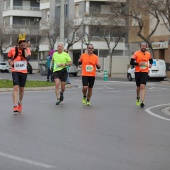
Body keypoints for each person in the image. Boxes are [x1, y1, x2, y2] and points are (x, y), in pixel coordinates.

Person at [8, 33, 31, 113]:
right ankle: (15, 106)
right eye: (22, 45)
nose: (23, 46)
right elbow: (9, 58)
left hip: (23, 71)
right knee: (15, 87)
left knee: (21, 89)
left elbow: (27, 58)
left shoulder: (27, 50)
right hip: (15, 71)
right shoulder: (13, 50)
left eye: (24, 45)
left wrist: (25, 48)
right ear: (18, 44)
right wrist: (10, 62)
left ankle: (20, 102)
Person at [130, 42, 153, 108]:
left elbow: (151, 60)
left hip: (145, 72)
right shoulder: (136, 53)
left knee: (142, 86)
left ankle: (142, 102)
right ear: (140, 46)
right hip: (137, 71)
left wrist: (151, 64)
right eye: (142, 46)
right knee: (138, 87)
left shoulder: (148, 54)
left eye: (144, 46)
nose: (143, 47)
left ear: (146, 47)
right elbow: (131, 62)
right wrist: (138, 64)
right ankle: (138, 97)